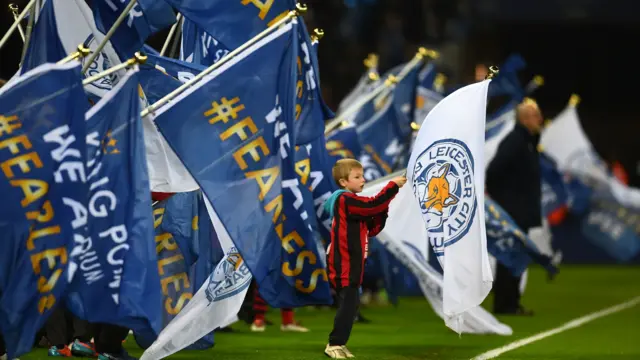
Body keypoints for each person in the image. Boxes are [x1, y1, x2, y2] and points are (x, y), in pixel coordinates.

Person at [322, 159, 405, 358]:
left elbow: (374, 227)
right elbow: (373, 205)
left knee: (352, 305)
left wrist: (383, 208)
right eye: (357, 177)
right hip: (344, 262)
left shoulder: (354, 204)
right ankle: (334, 344)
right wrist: (392, 187)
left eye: (362, 176)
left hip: (354, 263)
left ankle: (339, 343)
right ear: (343, 182)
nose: (363, 180)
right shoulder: (345, 200)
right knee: (348, 304)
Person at [486, 99, 545, 315]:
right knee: (510, 256)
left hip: (521, 210)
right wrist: (505, 202)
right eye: (535, 115)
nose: (540, 119)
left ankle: (511, 302)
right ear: (524, 119)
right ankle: (504, 303)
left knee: (517, 256)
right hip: (514, 211)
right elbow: (493, 171)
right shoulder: (515, 141)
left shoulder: (527, 141)